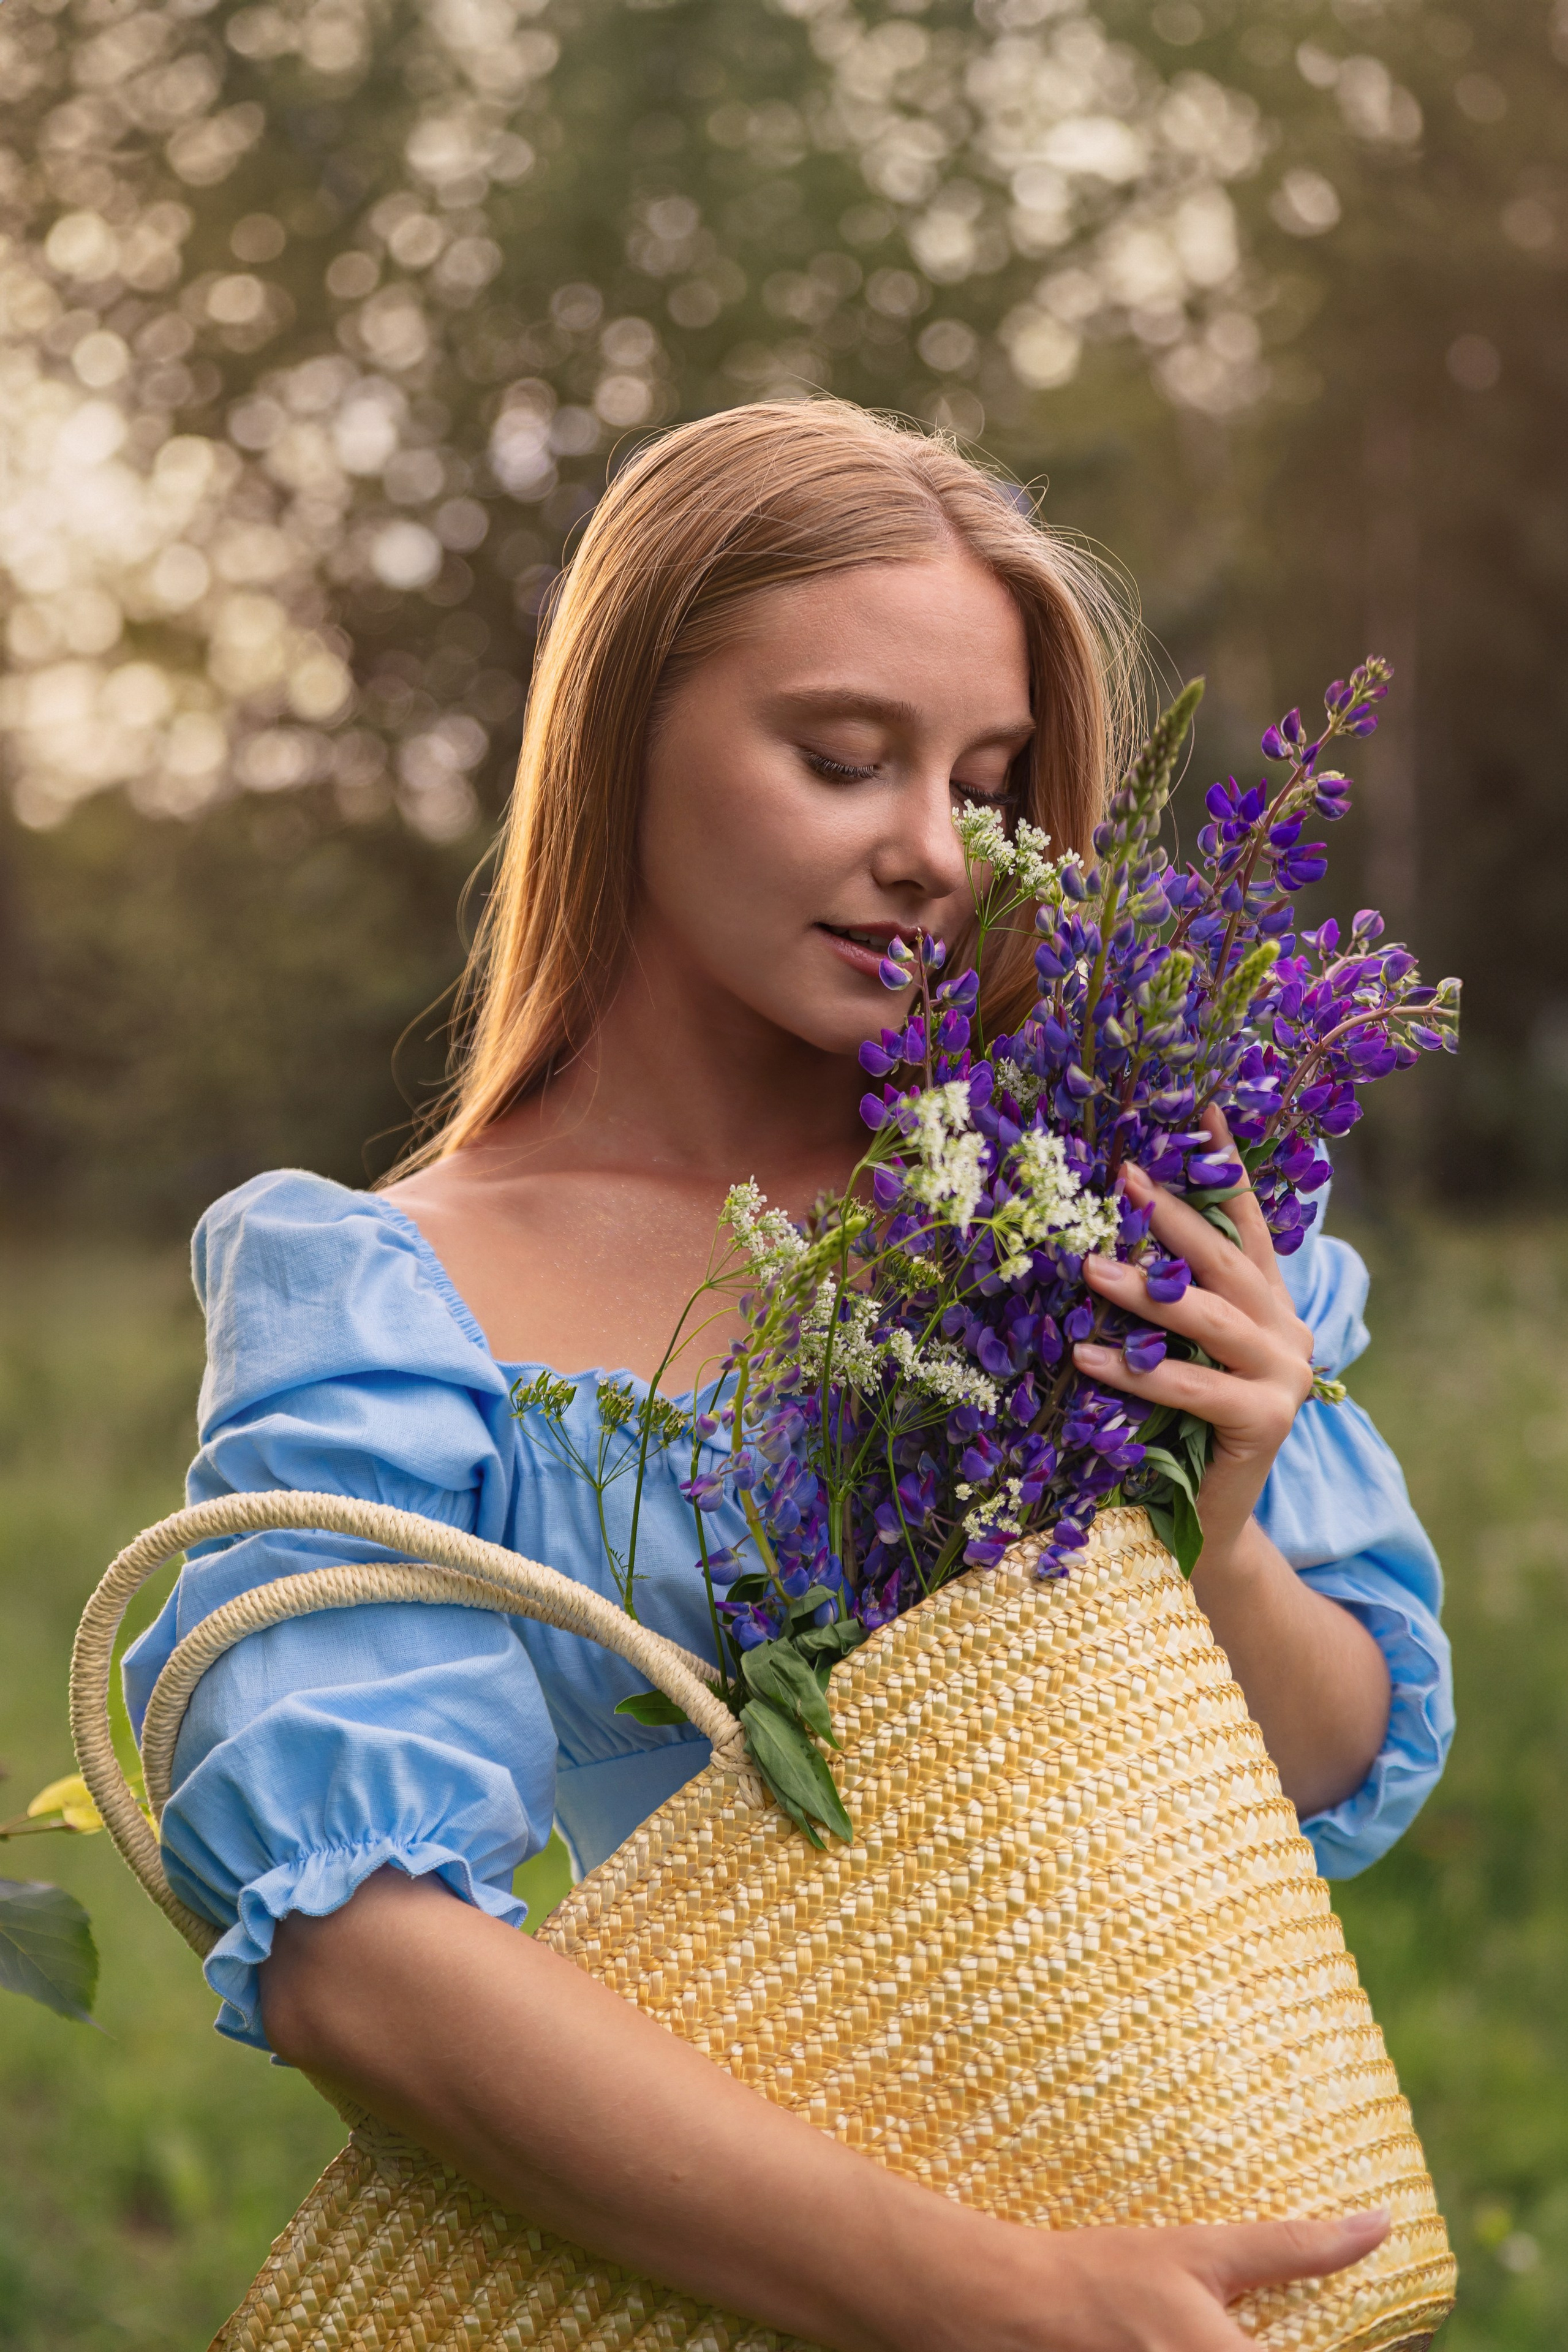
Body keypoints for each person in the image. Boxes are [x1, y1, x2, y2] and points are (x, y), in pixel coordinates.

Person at [125, 400, 1453, 2352]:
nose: (932, 852)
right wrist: (995, 2300)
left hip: (1150, 2206)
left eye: (990, 778)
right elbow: (356, 1961)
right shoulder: (389, 1295)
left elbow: (1330, 1769)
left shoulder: (1086, 1177)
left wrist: (1226, 1526)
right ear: (625, 737)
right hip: (711, 2264)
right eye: (843, 758)